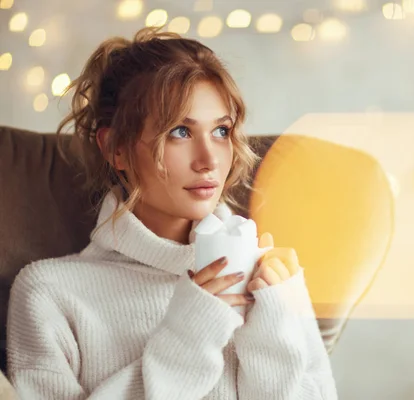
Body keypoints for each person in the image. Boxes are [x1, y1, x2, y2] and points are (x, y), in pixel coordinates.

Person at [6, 27, 337, 400]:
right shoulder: (50, 293)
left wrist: (276, 326)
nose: (210, 160)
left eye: (221, 131)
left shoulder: (272, 278)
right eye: (180, 131)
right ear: (115, 147)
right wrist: (189, 335)